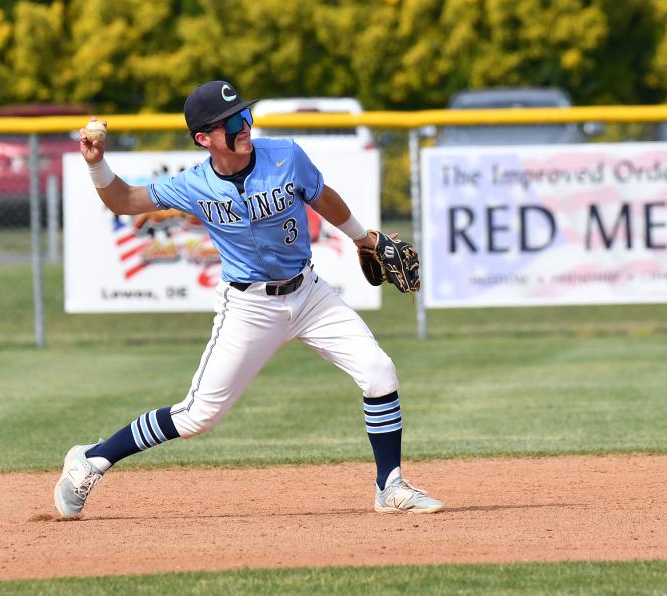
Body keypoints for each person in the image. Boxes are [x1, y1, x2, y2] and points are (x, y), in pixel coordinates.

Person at [54, 80, 443, 517]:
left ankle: (389, 485)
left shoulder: (285, 155)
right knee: (198, 416)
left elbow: (322, 196)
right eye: (232, 122)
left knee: (379, 372)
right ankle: (92, 459)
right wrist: (96, 164)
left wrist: (363, 237)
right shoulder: (194, 184)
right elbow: (124, 200)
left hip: (309, 294)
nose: (245, 126)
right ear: (204, 138)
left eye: (245, 115)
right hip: (249, 306)